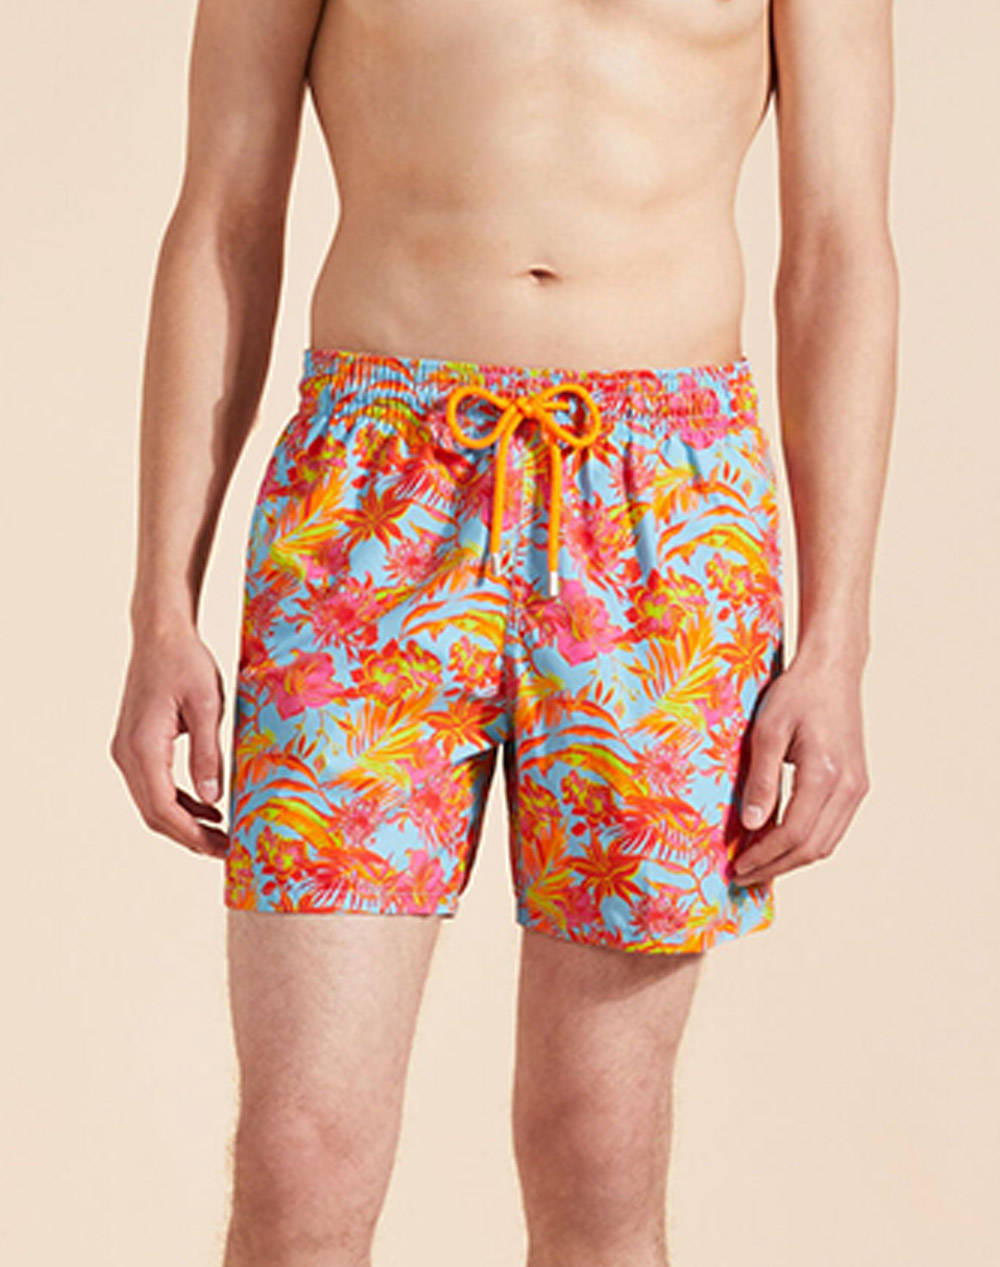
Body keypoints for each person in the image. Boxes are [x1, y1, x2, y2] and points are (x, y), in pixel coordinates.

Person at [110, 0, 898, 1263]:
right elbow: (223, 216)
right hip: (373, 502)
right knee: (301, 1152)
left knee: (598, 1144)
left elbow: (838, 249)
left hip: (663, 523)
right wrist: (161, 601)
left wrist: (836, 641)